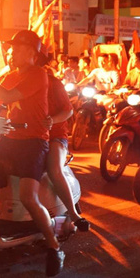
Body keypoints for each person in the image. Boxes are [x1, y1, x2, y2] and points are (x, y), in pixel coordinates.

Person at [0, 29, 65, 276]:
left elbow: (6, 96)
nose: (11, 53)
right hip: (10, 138)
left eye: (16, 49)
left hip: (33, 142)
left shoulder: (38, 75)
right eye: (11, 49)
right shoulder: (11, 75)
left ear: (31, 53)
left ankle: (53, 245)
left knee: (29, 197)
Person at [45, 69, 89, 232]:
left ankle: (73, 214)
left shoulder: (53, 84)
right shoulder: (13, 78)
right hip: (27, 136)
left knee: (54, 169)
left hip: (55, 136)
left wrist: (52, 121)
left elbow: (68, 110)